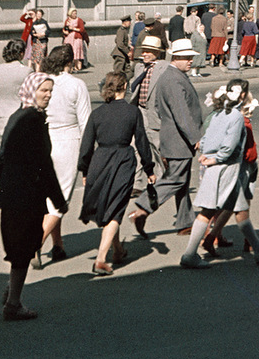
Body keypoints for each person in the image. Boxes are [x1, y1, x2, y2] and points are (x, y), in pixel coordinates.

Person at [180, 81, 259, 267]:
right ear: (242, 97)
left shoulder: (219, 114)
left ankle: (258, 249)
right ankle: (189, 255)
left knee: (239, 209)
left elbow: (207, 137)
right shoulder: (236, 117)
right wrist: (215, 159)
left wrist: (206, 155)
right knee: (209, 210)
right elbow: (230, 145)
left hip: (221, 167)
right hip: (226, 168)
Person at [0, 72, 66, 321]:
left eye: (50, 91)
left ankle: (13, 291)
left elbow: (0, 158)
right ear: (31, 90)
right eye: (43, 90)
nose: (47, 95)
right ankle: (13, 304)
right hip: (26, 194)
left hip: (13, 193)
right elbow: (43, 164)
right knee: (24, 247)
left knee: (20, 246)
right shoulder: (32, 120)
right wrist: (58, 200)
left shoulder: (18, 115)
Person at [77, 70, 157, 275]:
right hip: (122, 160)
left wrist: (84, 170)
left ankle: (118, 250)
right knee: (116, 207)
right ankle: (101, 259)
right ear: (125, 87)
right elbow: (142, 142)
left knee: (110, 205)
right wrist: (149, 167)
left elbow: (86, 145)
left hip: (99, 160)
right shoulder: (132, 112)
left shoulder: (97, 113)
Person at [131, 38, 202, 238]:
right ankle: (143, 208)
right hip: (178, 140)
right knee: (175, 180)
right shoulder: (173, 79)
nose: (191, 61)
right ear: (176, 57)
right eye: (187, 58)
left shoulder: (172, 76)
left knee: (182, 181)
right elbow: (181, 113)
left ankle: (185, 221)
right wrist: (195, 137)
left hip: (175, 139)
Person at [39, 45, 92, 265]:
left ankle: (58, 245)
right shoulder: (76, 84)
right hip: (68, 142)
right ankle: (35, 244)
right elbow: (86, 122)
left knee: (49, 196)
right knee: (60, 199)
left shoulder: (41, 81)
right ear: (70, 62)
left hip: (43, 140)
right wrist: (87, 157)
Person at [0, 39, 29, 144]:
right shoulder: (27, 71)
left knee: (2, 149)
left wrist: (3, 95)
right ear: (21, 53)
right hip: (18, 114)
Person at [112, 15, 133, 81]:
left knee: (129, 71)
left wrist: (127, 44)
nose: (130, 23)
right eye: (129, 22)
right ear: (125, 22)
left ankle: (124, 84)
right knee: (118, 73)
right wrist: (128, 52)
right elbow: (120, 44)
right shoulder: (121, 31)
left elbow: (116, 40)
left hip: (123, 55)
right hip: (120, 55)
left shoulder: (124, 30)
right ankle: (105, 83)